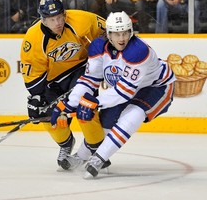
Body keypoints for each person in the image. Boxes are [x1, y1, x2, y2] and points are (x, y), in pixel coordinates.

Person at [51, 11, 176, 178]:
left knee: (133, 114)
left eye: (125, 32)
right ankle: (81, 156)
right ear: (108, 34)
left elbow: (124, 92)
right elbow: (89, 80)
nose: (121, 38)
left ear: (131, 32)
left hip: (158, 86)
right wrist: (68, 104)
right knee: (106, 120)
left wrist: (93, 102)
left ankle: (99, 158)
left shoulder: (138, 51)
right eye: (117, 33)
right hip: (128, 89)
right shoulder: (97, 48)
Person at [20, 0, 106, 169]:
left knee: (85, 106)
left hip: (82, 69)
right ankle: (65, 143)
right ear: (43, 20)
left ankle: (98, 149)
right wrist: (37, 98)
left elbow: (110, 31)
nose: (58, 23)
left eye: (60, 17)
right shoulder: (33, 38)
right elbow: (33, 72)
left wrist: (105, 53)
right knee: (46, 114)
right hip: (54, 80)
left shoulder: (82, 19)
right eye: (52, 19)